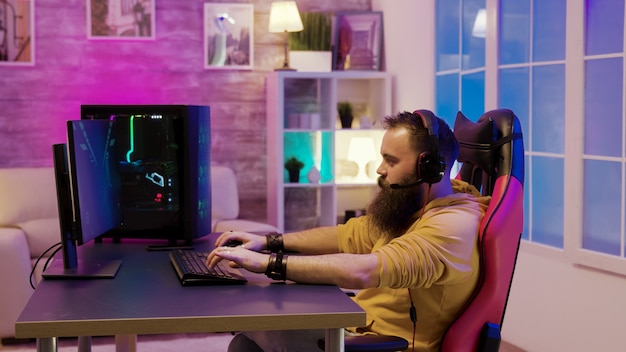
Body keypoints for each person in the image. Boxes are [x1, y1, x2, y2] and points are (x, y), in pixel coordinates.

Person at [206, 110, 490, 352]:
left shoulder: (453, 226)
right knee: (247, 340)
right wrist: (271, 241)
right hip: (360, 327)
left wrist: (270, 263)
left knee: (258, 319)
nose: (380, 169)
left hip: (386, 345)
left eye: (391, 161)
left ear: (428, 169)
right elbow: (346, 235)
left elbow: (366, 270)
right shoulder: (412, 208)